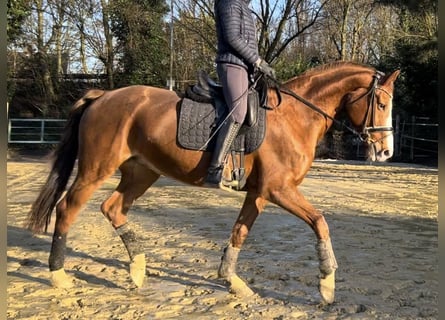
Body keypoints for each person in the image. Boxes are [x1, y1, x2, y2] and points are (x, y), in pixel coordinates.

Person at [204, 0, 275, 188]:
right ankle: (215, 169)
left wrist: (256, 65)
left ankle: (238, 169)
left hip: (244, 67)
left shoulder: (243, 6)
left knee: (251, 113)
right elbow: (232, 37)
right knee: (238, 113)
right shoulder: (229, 3)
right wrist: (258, 61)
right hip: (232, 64)